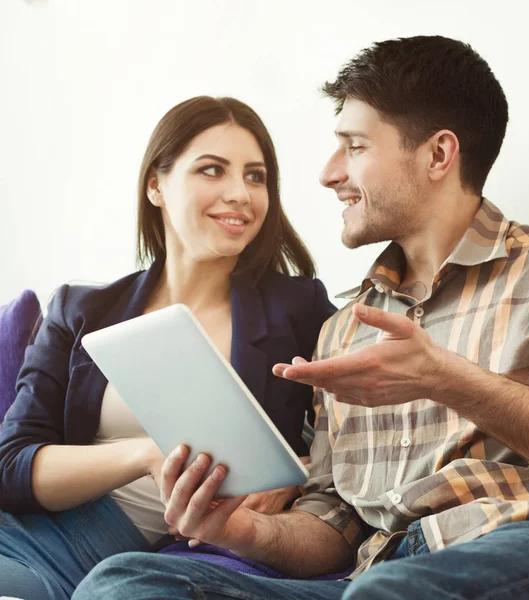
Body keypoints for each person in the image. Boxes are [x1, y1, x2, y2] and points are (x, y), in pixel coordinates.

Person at [73, 35, 529, 600]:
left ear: (439, 155)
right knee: (124, 581)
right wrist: (244, 530)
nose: (327, 174)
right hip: (374, 572)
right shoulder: (344, 329)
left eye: (353, 147)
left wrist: (446, 379)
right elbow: (336, 523)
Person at [0, 95, 335, 600]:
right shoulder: (80, 308)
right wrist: (147, 455)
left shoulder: (300, 309)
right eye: (212, 170)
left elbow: (366, 446)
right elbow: (12, 465)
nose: (239, 193)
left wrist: (298, 476)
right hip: (29, 535)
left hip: (135, 558)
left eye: (255, 176)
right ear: (156, 185)